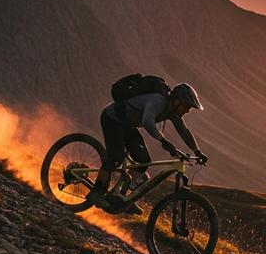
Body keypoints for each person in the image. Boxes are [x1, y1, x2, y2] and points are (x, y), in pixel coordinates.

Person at [88, 82, 208, 213]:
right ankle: (96, 193)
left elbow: (183, 130)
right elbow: (147, 122)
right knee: (116, 158)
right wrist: (163, 141)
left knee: (143, 160)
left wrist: (197, 151)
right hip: (113, 118)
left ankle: (122, 198)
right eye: (187, 107)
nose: (187, 111)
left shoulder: (172, 111)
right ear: (177, 101)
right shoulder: (158, 101)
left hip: (128, 125)